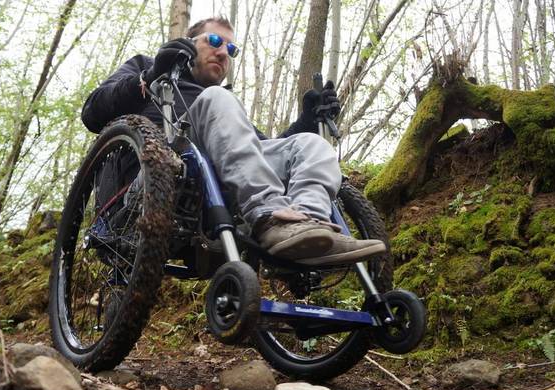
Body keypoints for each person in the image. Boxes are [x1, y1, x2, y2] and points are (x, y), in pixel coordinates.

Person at [81, 16, 385, 266]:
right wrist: (150, 75)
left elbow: (257, 159)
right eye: (214, 42)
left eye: (231, 48)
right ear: (188, 44)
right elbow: (92, 113)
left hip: (214, 197)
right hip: (145, 190)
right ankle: (271, 218)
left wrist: (306, 122)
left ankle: (309, 230)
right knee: (218, 99)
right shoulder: (150, 68)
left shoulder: (224, 109)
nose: (223, 52)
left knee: (311, 145)